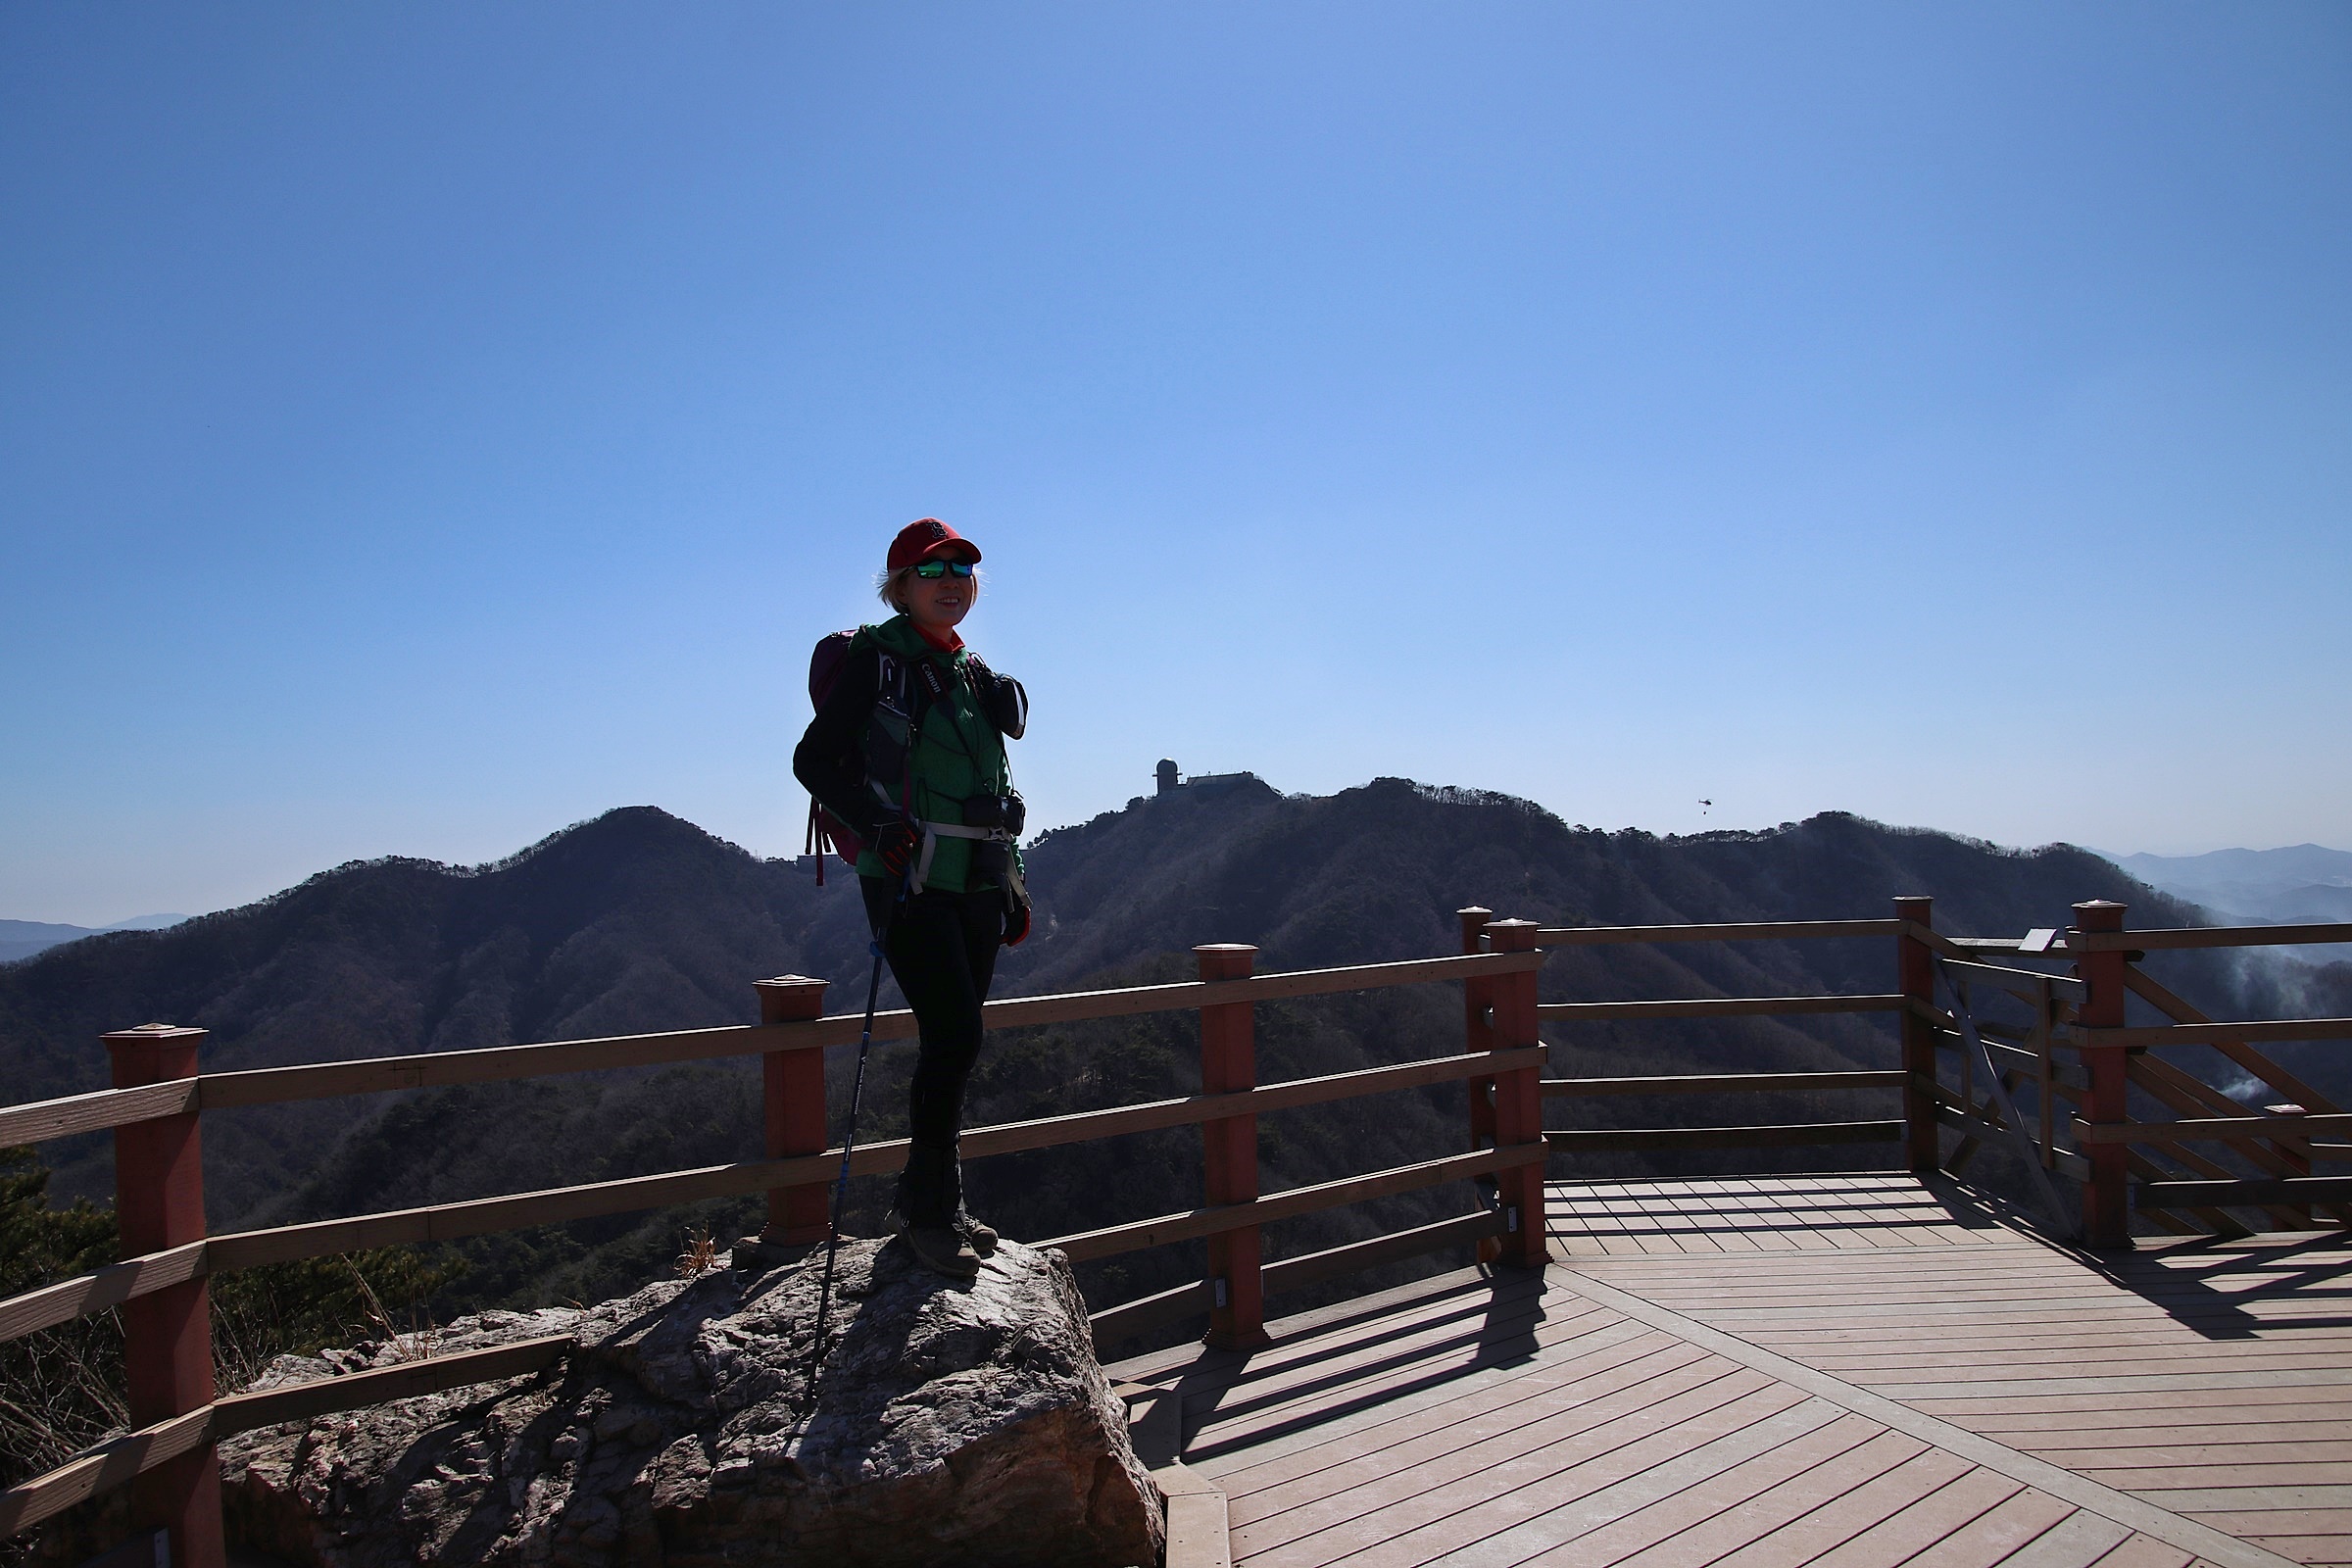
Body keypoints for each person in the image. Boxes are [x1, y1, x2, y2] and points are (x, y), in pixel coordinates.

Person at [794, 517, 1032, 1278]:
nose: (951, 581)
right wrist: (875, 825)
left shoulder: (969, 670)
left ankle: (940, 1202)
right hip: (908, 874)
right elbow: (813, 759)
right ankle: (928, 1212)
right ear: (898, 588)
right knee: (955, 1034)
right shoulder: (879, 660)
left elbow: (987, 779)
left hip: (978, 876)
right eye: (932, 571)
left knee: (954, 1042)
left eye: (962, 570)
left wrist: (1013, 879)